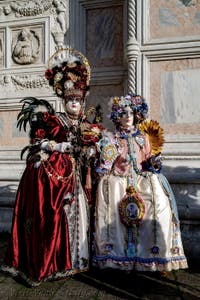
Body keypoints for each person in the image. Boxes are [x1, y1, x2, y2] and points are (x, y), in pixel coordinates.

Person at [1, 48, 102, 286]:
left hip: (81, 178)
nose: (74, 104)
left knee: (83, 215)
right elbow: (38, 142)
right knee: (58, 215)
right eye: (70, 100)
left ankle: (80, 260)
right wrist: (60, 148)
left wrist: (92, 150)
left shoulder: (89, 124)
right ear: (64, 99)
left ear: (83, 99)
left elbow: (96, 147)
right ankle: (58, 261)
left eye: (78, 100)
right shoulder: (53, 120)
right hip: (61, 177)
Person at [93, 94, 188, 272]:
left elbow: (149, 159)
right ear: (117, 117)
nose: (127, 117)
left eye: (131, 113)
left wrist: (154, 163)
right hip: (119, 182)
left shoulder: (142, 138)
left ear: (137, 114)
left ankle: (153, 256)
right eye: (123, 113)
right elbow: (104, 165)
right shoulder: (112, 138)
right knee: (111, 197)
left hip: (142, 179)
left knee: (158, 203)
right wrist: (108, 158)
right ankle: (118, 258)